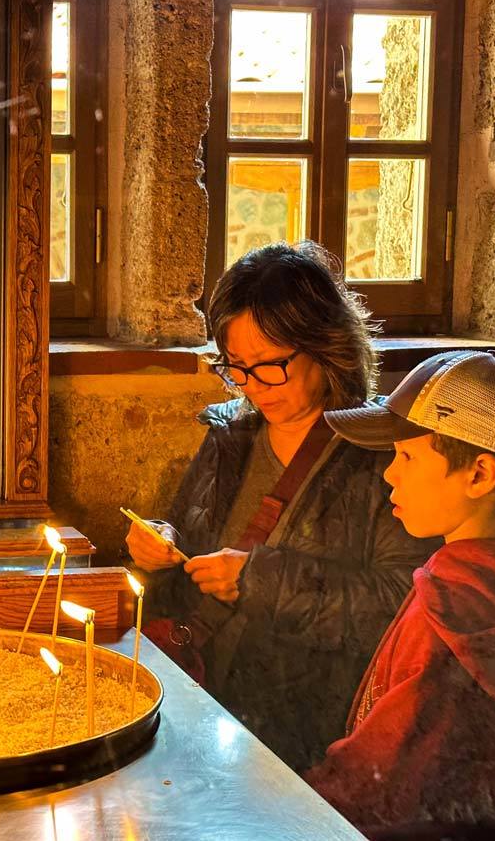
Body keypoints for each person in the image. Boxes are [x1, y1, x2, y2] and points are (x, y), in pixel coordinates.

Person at [126, 241, 438, 770]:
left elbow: (400, 607)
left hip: (305, 728)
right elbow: (186, 536)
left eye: (271, 365)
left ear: (327, 344)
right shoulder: (229, 433)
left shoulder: (382, 454)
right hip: (204, 702)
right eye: (237, 368)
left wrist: (260, 581)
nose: (254, 387)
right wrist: (159, 544)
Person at [304, 350, 495, 839]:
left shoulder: (447, 615)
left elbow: (378, 781)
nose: (389, 473)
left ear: (479, 475)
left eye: (407, 456)